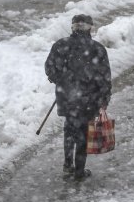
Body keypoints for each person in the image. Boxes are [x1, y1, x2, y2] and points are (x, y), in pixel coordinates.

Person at [44, 14, 112, 180]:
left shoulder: (61, 45)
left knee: (69, 128)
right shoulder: (97, 49)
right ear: (90, 27)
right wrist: (104, 99)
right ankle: (79, 171)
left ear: (73, 27)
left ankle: (68, 165)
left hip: (66, 96)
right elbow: (104, 78)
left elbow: (50, 69)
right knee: (83, 131)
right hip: (89, 99)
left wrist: (61, 80)